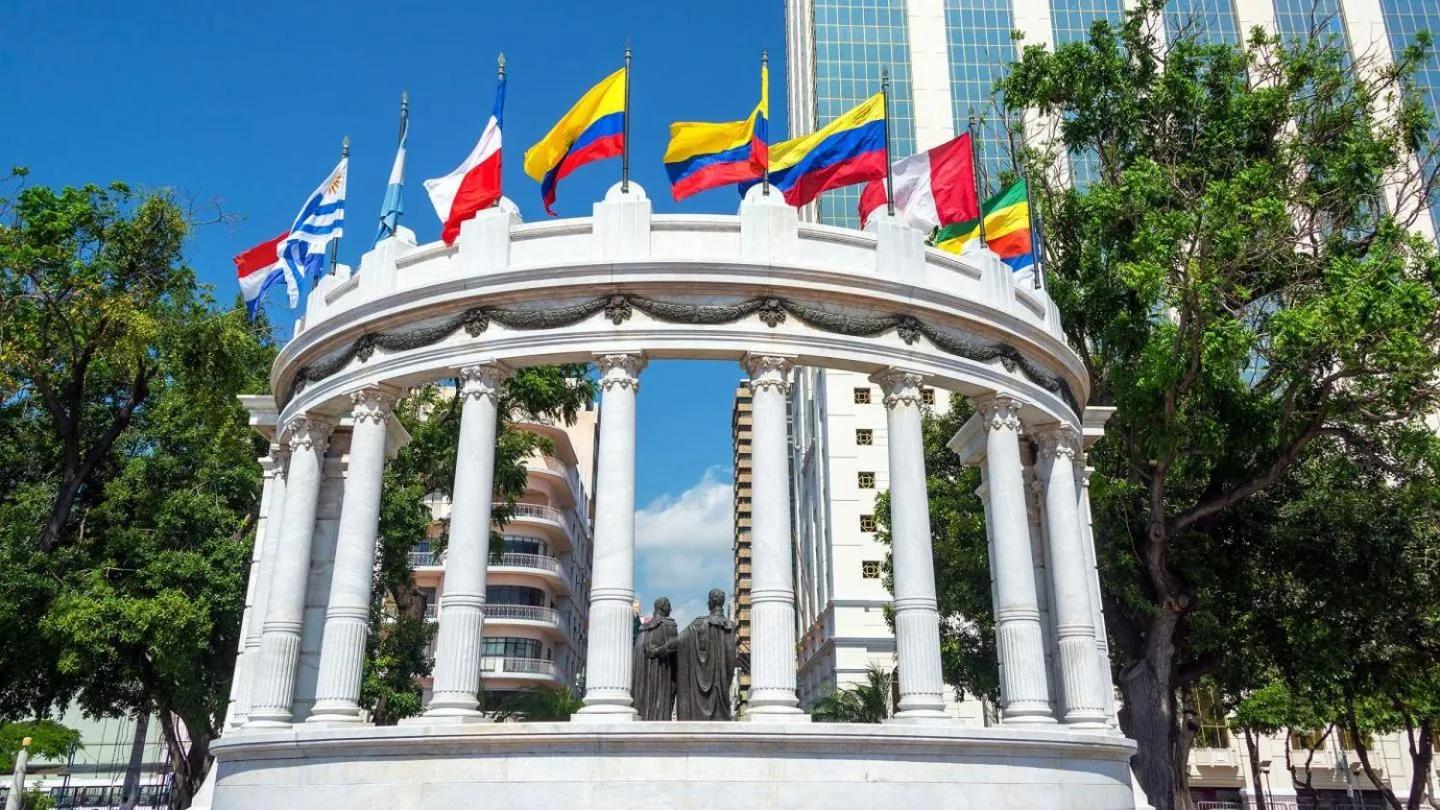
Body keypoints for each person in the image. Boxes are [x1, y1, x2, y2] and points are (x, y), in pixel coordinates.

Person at [669, 588, 738, 721]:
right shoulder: (731, 626)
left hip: (701, 687)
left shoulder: (699, 624)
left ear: (711, 602)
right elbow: (731, 659)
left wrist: (658, 650)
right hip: (723, 680)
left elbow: (677, 642)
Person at [631, 597, 678, 720]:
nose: (670, 609)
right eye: (668, 605)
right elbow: (675, 653)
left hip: (641, 681)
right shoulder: (669, 626)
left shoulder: (642, 630)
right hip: (662, 676)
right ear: (663, 607)